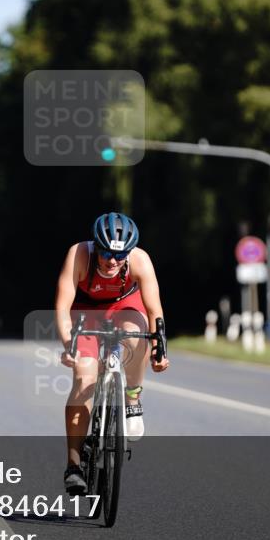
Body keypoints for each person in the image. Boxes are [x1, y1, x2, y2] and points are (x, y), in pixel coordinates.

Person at [55, 212, 169, 494]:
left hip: (124, 306)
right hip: (85, 312)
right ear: (96, 246)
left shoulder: (140, 260)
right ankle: (73, 464)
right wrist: (69, 345)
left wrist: (159, 348)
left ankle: (132, 397)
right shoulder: (79, 254)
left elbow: (154, 310)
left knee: (136, 333)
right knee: (83, 379)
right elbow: (62, 306)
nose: (112, 261)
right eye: (106, 253)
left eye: (120, 256)